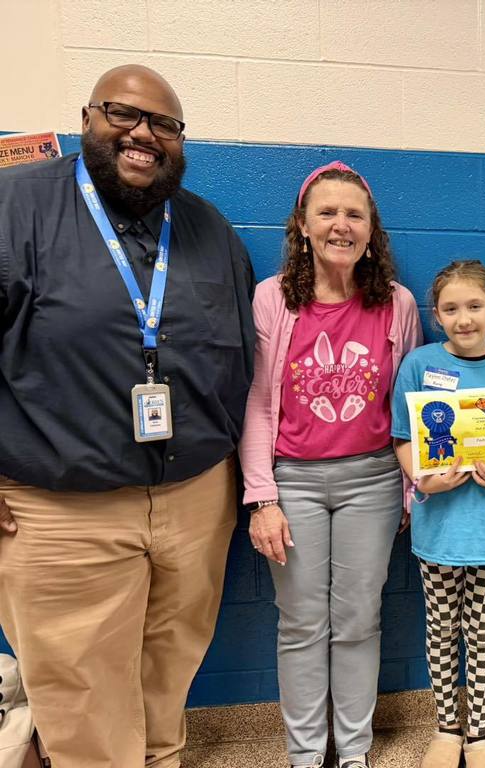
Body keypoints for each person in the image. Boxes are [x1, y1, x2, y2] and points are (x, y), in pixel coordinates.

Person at [0, 65, 255, 767]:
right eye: (123, 114)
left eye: (164, 124)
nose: (143, 133)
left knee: (171, 663)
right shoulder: (15, 207)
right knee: (81, 685)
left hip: (195, 497)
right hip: (60, 506)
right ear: (87, 119)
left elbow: (237, 363)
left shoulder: (208, 230)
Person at [239, 160, 421, 768]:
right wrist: (261, 498)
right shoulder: (273, 299)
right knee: (300, 622)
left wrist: (407, 490)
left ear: (372, 230)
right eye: (328, 212)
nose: (341, 225)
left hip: (372, 478)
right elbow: (260, 404)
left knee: (357, 619)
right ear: (303, 224)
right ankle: (306, 754)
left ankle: (354, 751)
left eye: (354, 214)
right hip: (293, 481)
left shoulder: (396, 304)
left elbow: (411, 408)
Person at [391, 260, 485, 768]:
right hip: (438, 527)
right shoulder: (419, 364)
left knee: (484, 631)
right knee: (441, 628)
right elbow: (403, 435)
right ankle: (447, 727)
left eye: (474, 306)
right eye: (450, 308)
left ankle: (480, 731)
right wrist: (420, 477)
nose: (463, 318)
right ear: (436, 315)